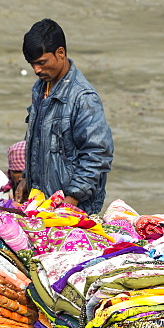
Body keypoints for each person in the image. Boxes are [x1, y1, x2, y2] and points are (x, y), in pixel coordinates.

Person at [22, 19, 113, 215]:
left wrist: (71, 200)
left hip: (74, 208)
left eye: (42, 63)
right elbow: (34, 140)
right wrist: (24, 179)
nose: (37, 70)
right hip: (42, 203)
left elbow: (97, 154)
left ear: (60, 53)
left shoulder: (83, 98)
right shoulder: (40, 88)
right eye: (32, 64)